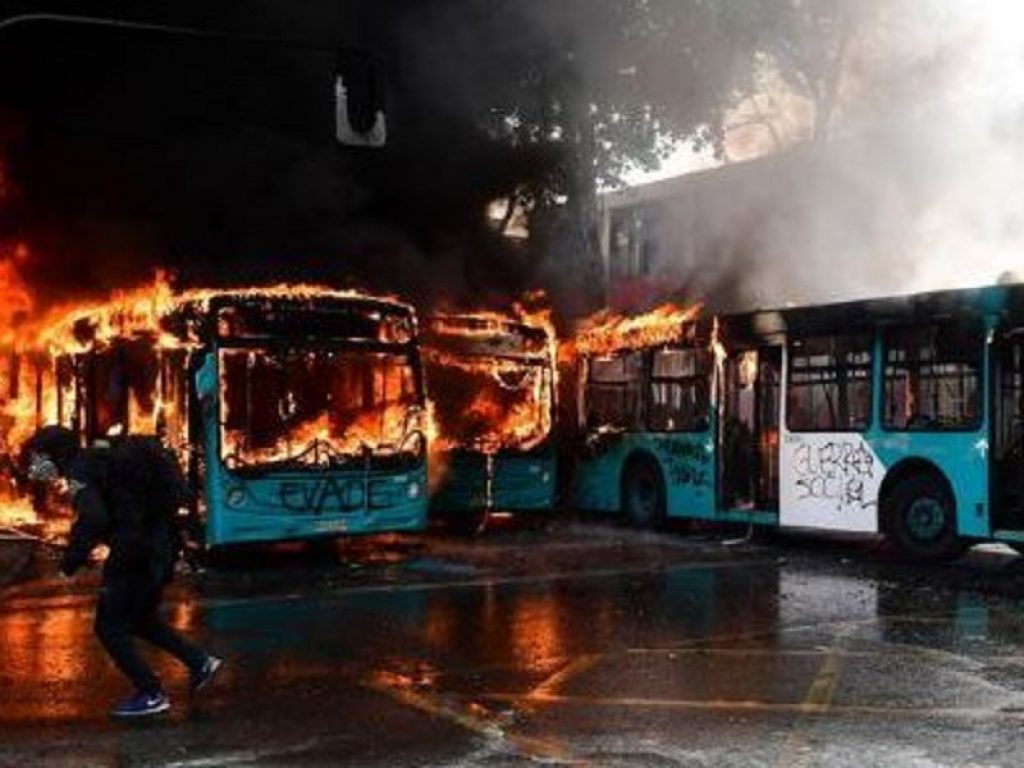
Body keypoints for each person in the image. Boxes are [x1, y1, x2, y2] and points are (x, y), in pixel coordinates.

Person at [21, 426, 222, 718]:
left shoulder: (79, 472)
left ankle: (151, 692)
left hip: (135, 555)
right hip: (159, 547)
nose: (37, 466)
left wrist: (70, 562)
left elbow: (93, 517)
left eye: (40, 458)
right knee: (140, 618)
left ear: (56, 454)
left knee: (109, 627)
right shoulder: (100, 458)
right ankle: (199, 662)